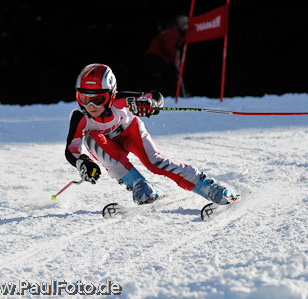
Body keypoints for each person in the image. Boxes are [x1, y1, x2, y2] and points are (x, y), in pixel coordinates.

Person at [65, 63, 237, 205]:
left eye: (97, 99)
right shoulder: (80, 116)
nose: (90, 106)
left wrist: (149, 103)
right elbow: (71, 149)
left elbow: (155, 96)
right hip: (108, 146)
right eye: (84, 98)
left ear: (111, 95)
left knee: (155, 163)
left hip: (129, 132)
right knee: (90, 138)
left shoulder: (120, 101)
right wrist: (83, 163)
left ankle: (209, 187)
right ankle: (141, 186)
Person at [145, 15, 188, 97]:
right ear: (178, 24)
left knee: (170, 74)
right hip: (156, 57)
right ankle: (165, 96)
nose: (186, 26)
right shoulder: (172, 32)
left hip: (162, 57)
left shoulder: (179, 33)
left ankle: (166, 95)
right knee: (169, 75)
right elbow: (169, 47)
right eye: (183, 23)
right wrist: (174, 59)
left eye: (186, 23)